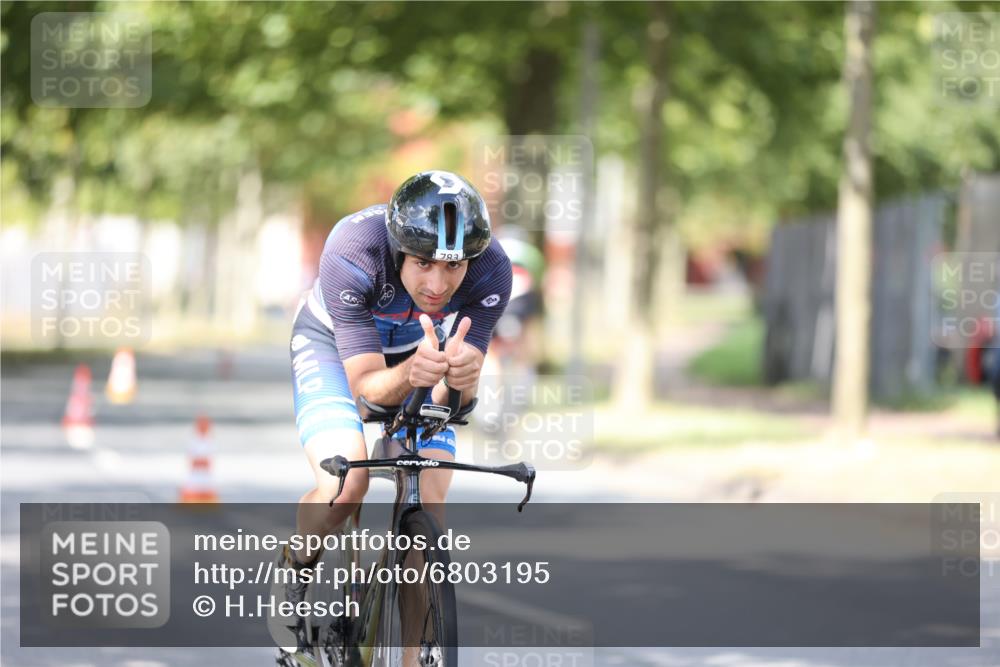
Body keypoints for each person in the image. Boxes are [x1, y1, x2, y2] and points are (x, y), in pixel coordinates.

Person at [268, 170, 512, 653]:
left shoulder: (492, 270)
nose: (438, 284)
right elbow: (366, 392)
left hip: (422, 350)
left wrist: (461, 381)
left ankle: (411, 659)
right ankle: (297, 563)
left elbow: (457, 404)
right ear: (399, 249)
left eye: (453, 266)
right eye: (423, 263)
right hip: (334, 345)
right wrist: (413, 376)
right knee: (345, 487)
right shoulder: (354, 249)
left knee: (429, 498)